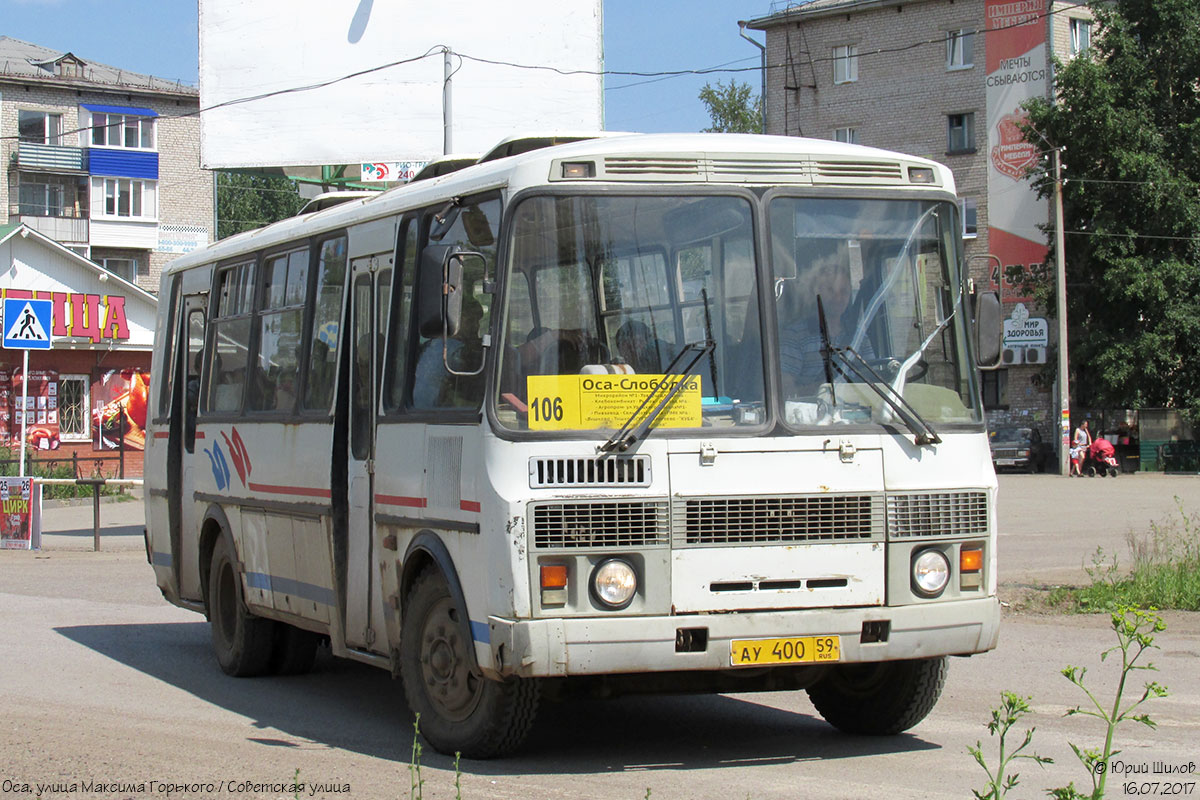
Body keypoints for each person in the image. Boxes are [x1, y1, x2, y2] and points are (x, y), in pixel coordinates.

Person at [778, 256, 871, 396]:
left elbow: (872, 381)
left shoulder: (859, 338)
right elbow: (785, 393)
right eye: (830, 291)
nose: (838, 298)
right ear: (816, 292)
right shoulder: (795, 336)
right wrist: (825, 389)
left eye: (843, 291)